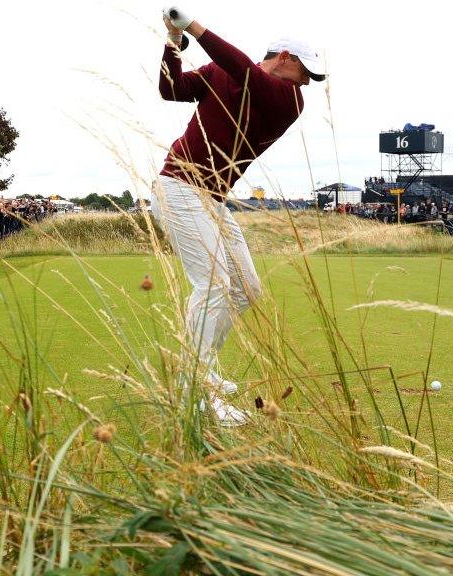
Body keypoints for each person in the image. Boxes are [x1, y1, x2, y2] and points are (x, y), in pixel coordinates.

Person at [156, 6, 325, 425]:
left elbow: (246, 72)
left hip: (210, 199)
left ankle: (205, 369)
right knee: (213, 284)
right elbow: (170, 88)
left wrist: (192, 24)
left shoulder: (288, 99)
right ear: (284, 56)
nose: (308, 83)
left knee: (245, 288)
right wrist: (173, 41)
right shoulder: (221, 72)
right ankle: (193, 395)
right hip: (178, 186)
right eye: (306, 71)